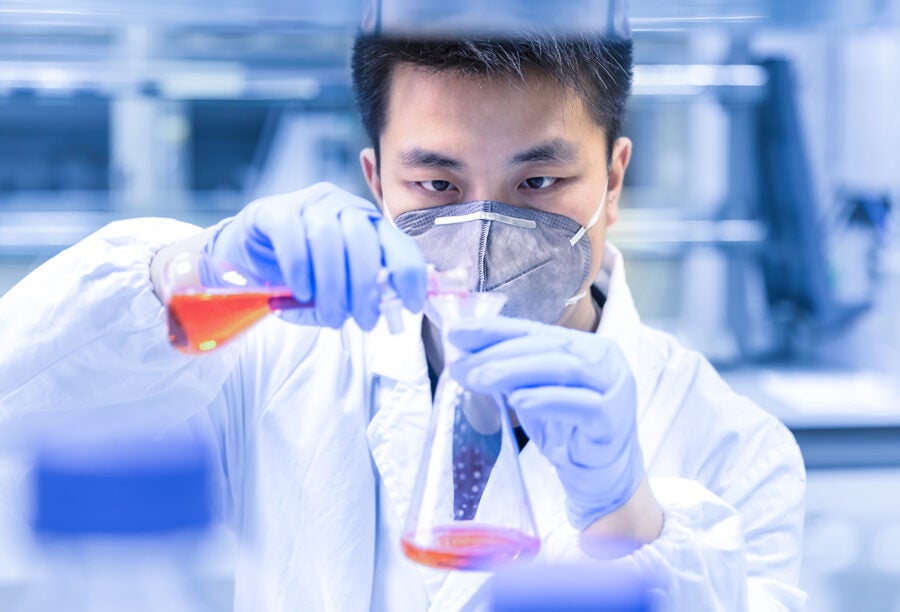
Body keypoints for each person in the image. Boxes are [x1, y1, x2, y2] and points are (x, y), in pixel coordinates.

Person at [0, 28, 806, 612]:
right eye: (437, 187)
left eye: (540, 181)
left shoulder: (733, 445)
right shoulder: (276, 361)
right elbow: (28, 395)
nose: (487, 234)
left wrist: (630, 521)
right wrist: (194, 274)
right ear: (376, 181)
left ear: (614, 177)